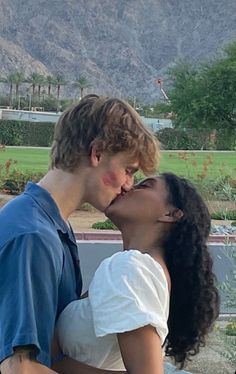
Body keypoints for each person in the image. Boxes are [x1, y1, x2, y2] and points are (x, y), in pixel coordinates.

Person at [0, 94, 159, 374]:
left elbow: (54, 353)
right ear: (97, 153)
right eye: (128, 170)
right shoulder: (33, 235)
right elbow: (20, 368)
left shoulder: (52, 224)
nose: (128, 186)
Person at [54, 173, 220, 374]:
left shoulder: (131, 267)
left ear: (170, 214)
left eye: (145, 185)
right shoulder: (141, 270)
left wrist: (53, 363)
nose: (126, 187)